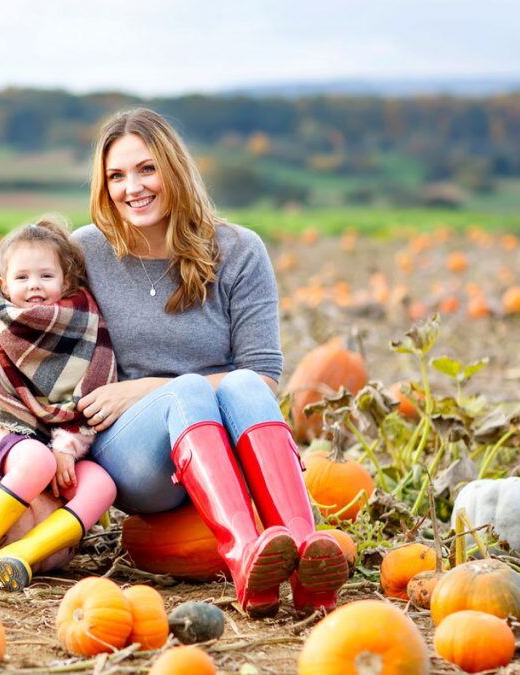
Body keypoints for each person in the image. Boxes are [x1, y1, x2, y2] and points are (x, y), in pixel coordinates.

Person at [72, 108, 348, 617]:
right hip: (131, 454)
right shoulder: (85, 251)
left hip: (221, 445)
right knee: (193, 390)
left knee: (243, 384)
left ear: (175, 170)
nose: (132, 186)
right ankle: (244, 554)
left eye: (147, 169)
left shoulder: (239, 250)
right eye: (116, 175)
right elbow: (14, 330)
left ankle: (306, 557)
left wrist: (151, 385)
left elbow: (263, 374)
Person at [0, 215, 118, 591]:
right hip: (12, 442)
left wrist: (66, 448)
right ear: (3, 284)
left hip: (62, 449)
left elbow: (89, 399)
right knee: (37, 459)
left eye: (46, 277)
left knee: (102, 485)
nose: (34, 285)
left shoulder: (83, 327)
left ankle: (21, 554)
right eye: (22, 278)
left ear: (65, 282)